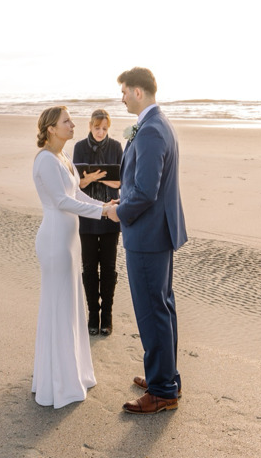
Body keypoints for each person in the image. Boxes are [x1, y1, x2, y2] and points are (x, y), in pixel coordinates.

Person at [102, 67, 187, 414]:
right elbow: (145, 186)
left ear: (138, 92)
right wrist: (125, 200)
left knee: (152, 311)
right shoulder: (157, 124)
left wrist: (117, 211)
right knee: (162, 307)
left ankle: (163, 390)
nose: (121, 97)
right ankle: (165, 377)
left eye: (124, 91)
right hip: (157, 231)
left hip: (148, 235)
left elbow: (146, 191)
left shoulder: (151, 130)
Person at [31, 106, 118, 408]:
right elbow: (61, 201)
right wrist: (103, 212)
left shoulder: (64, 158)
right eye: (66, 121)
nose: (72, 124)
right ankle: (56, 383)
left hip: (69, 241)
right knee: (58, 307)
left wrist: (105, 205)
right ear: (52, 129)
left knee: (70, 306)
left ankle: (72, 374)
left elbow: (78, 195)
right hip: (54, 240)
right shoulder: (44, 160)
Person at [73, 109, 123, 336]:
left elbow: (124, 181)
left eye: (104, 128)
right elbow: (76, 186)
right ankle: (93, 314)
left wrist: (112, 182)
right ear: (90, 126)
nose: (101, 132)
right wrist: (90, 178)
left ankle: (107, 316)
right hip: (87, 216)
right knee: (89, 267)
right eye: (96, 128)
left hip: (111, 213)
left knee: (109, 267)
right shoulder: (80, 147)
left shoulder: (116, 147)